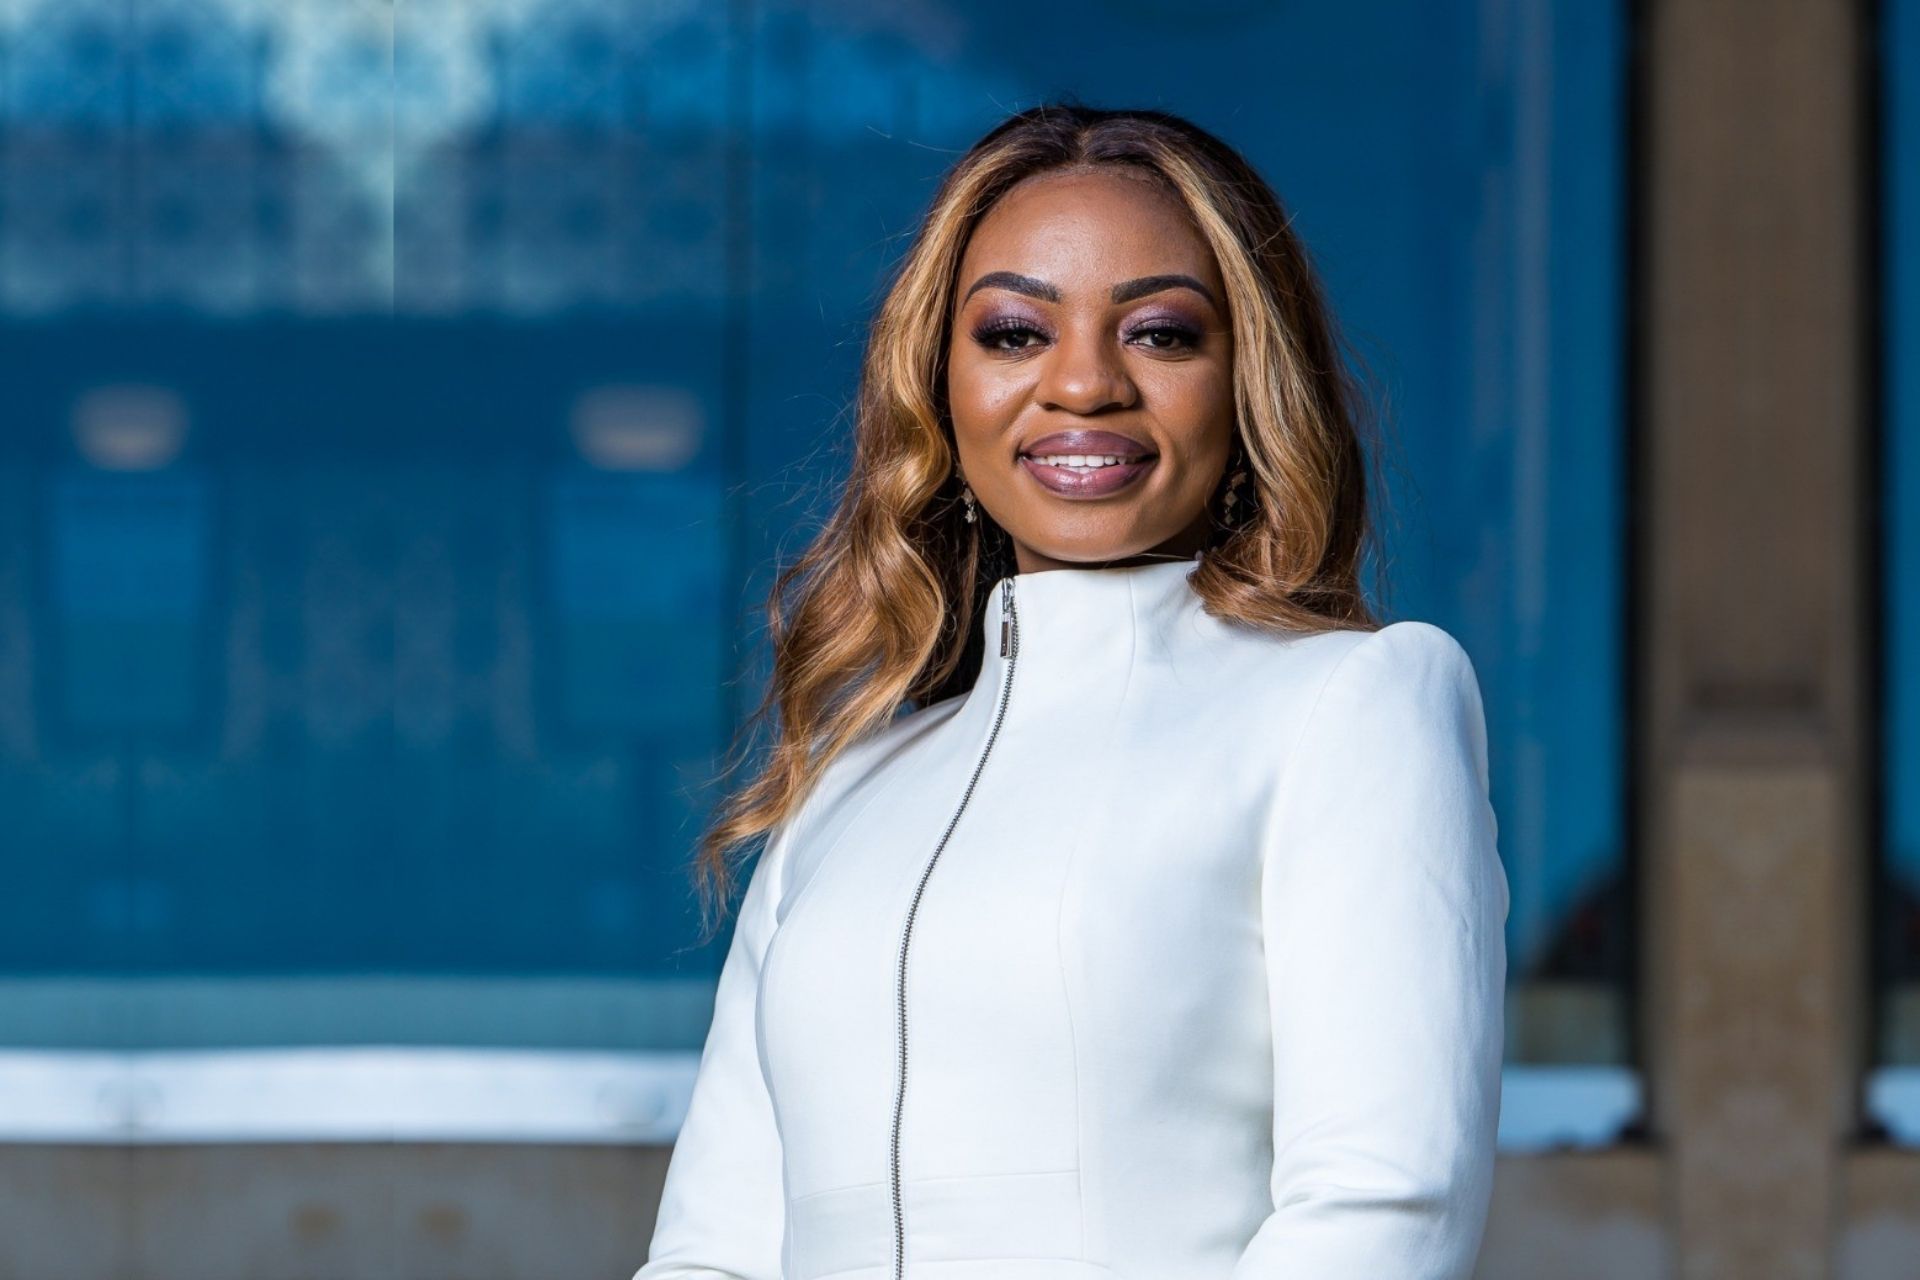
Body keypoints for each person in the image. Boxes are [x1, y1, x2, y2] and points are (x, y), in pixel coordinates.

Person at [634, 103, 1510, 1280]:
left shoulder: (1352, 705)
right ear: (939, 380)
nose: (1084, 384)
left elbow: (1382, 1205)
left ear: (1247, 373)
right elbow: (714, 1249)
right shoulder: (849, 784)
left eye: (1158, 332)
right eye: (1013, 333)